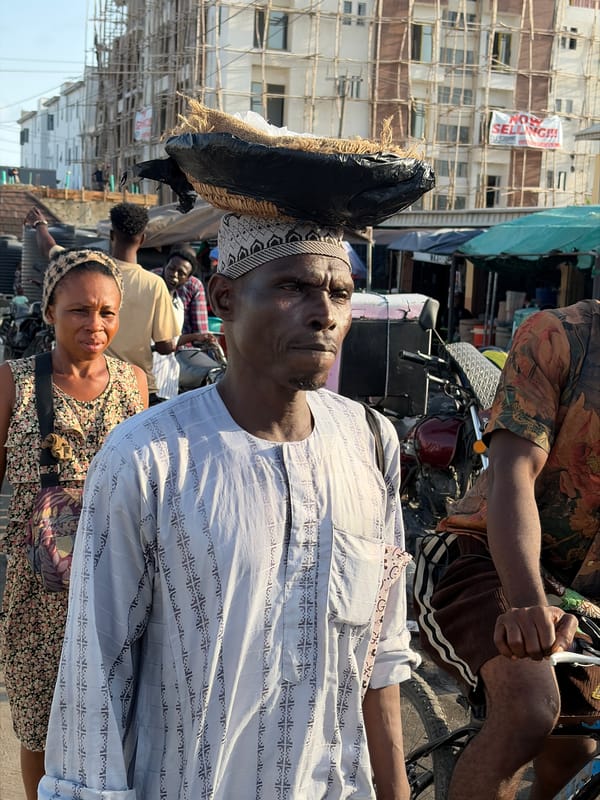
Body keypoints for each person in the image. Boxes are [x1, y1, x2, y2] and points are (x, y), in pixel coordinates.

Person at [39, 213, 418, 800]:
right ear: (225, 298)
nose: (324, 313)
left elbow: (381, 656)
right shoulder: (148, 458)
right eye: (293, 287)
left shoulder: (370, 442)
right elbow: (95, 675)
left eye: (339, 293)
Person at [414, 299, 600, 800]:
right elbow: (513, 476)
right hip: (481, 557)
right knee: (529, 709)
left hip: (583, 601)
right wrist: (526, 605)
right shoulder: (559, 336)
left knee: (576, 754)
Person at [0, 248, 148, 800]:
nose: (96, 324)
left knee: (118, 720)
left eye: (107, 312)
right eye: (80, 311)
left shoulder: (134, 384)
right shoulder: (13, 383)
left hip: (119, 584)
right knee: (40, 725)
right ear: (50, 312)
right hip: (38, 597)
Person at [25, 204, 180, 405]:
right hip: (136, 390)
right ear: (143, 239)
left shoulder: (84, 271)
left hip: (88, 382)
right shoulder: (155, 284)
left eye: (107, 313)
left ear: (111, 235)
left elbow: (50, 248)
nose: (95, 325)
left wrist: (40, 225)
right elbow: (165, 345)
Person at [152, 246, 217, 391]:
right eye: (171, 269)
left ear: (187, 278)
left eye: (181, 273)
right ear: (165, 266)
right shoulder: (152, 285)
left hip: (173, 359)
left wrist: (200, 338)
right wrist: (197, 337)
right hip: (156, 358)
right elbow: (166, 344)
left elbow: (173, 341)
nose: (174, 275)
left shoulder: (179, 303)